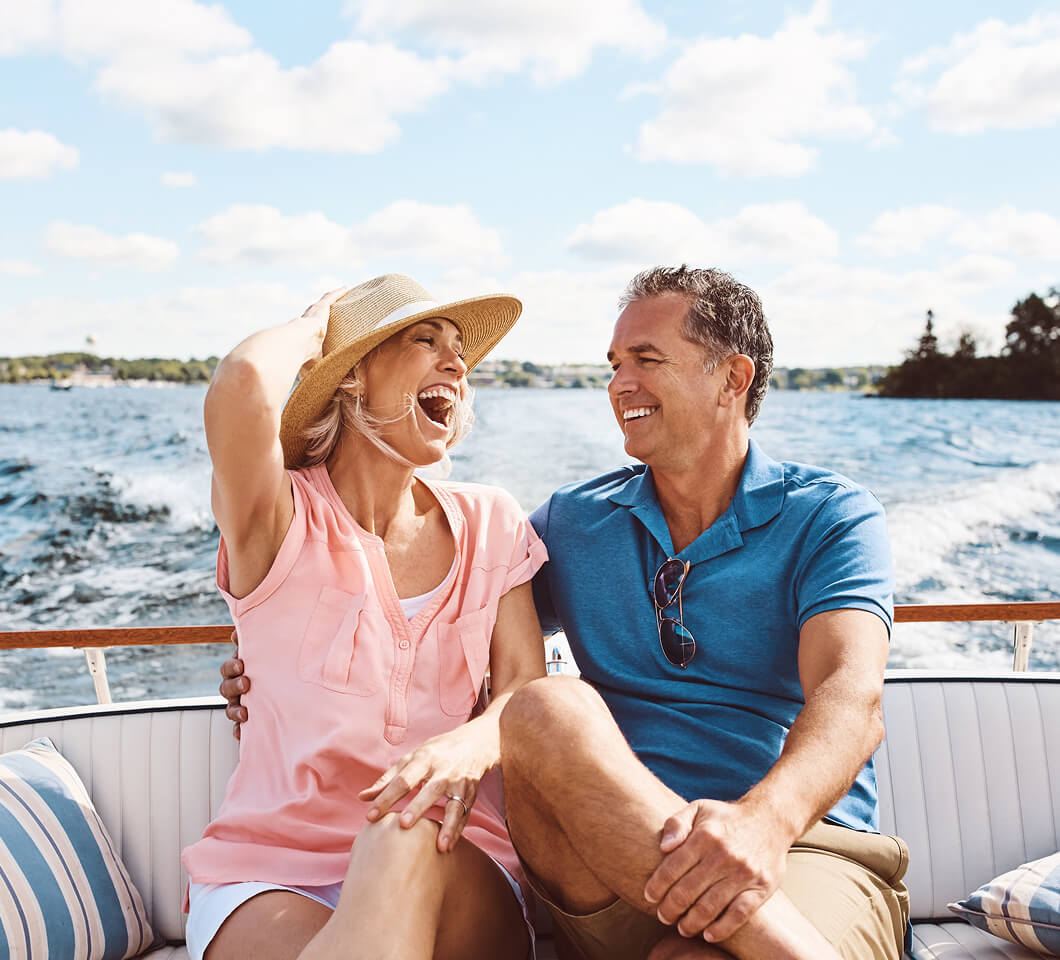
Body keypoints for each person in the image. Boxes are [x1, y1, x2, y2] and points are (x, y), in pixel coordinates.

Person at [222, 266, 910, 959]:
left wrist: (763, 823)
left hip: (799, 846)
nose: (620, 385)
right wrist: (271, 662)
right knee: (547, 708)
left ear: (732, 378)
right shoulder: (572, 523)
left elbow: (851, 697)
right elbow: (431, 623)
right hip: (607, 860)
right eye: (615, 365)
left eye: (647, 360)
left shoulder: (829, 516)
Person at [184, 274, 547, 960]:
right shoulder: (278, 520)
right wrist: (317, 329)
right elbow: (240, 385)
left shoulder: (493, 522)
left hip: (452, 858)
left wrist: (471, 744)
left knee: (405, 828)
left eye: (459, 349)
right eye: (424, 339)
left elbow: (526, 688)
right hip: (270, 872)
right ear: (351, 378)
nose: (456, 363)